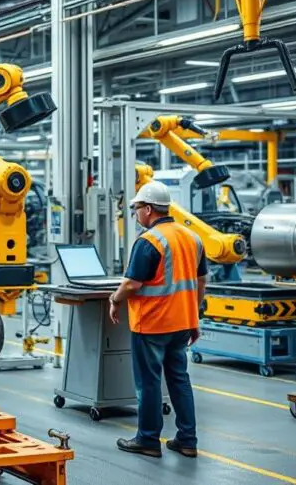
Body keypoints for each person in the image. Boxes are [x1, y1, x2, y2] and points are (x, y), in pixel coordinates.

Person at [108, 180, 205, 459]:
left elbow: (131, 285)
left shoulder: (149, 241)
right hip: (182, 324)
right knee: (179, 380)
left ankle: (148, 440)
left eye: (137, 208)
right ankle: (187, 440)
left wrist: (114, 300)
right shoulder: (192, 237)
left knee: (148, 382)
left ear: (148, 209)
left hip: (151, 324)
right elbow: (201, 281)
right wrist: (193, 316)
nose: (136, 214)